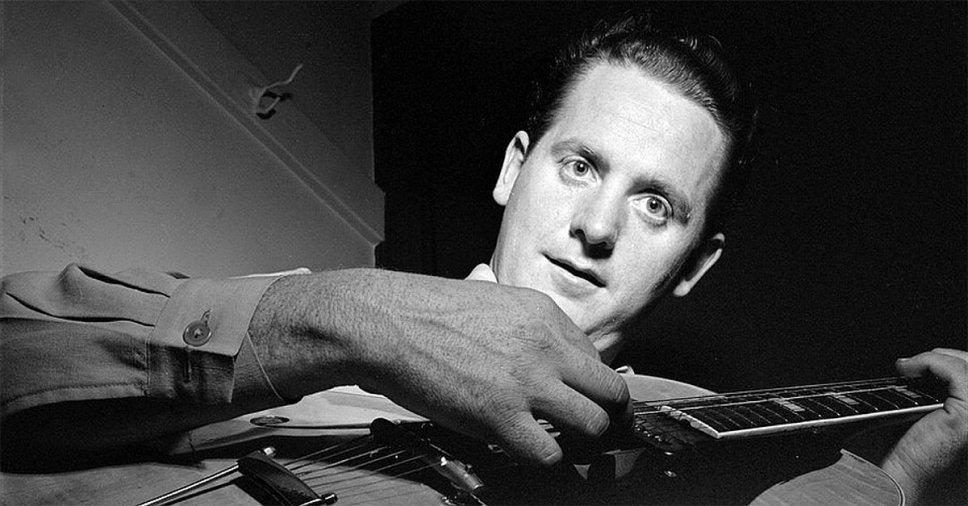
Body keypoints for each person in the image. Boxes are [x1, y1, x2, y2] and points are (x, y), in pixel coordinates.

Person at [1, 14, 964, 504]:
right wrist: (350, 322)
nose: (596, 226)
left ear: (694, 265)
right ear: (513, 169)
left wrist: (909, 472)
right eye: (579, 165)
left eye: (656, 205)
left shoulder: (675, 463)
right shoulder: (303, 314)